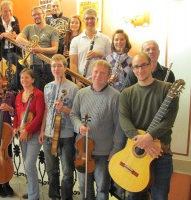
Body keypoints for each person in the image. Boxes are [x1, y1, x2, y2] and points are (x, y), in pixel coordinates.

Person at [119, 52, 179, 200]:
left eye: (143, 65)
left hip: (160, 155)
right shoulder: (126, 93)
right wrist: (141, 141)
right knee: (134, 196)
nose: (140, 70)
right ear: (132, 70)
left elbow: (168, 121)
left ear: (151, 65)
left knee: (160, 196)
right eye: (136, 67)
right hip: (136, 152)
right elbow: (124, 120)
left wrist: (149, 137)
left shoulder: (168, 89)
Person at [70, 60, 125, 199]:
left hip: (104, 153)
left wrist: (116, 149)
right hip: (83, 150)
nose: (98, 75)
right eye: (95, 71)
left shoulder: (115, 97)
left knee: (102, 188)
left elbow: (119, 125)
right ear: (91, 73)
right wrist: (79, 126)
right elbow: (73, 114)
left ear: (108, 76)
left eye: (102, 73)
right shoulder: (81, 93)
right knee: (84, 187)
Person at [39, 54, 79, 200]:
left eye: (59, 65)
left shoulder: (74, 88)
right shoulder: (47, 87)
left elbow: (76, 113)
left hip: (67, 135)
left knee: (68, 171)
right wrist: (43, 130)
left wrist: (64, 109)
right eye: (53, 66)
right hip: (49, 135)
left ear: (65, 68)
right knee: (51, 170)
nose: (56, 68)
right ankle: (54, 196)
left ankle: (66, 197)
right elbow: (46, 111)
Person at [13, 68, 45, 200]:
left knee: (29, 165)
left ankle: (34, 196)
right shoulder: (19, 95)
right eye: (22, 78)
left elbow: (39, 116)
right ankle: (32, 191)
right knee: (27, 165)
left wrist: (27, 130)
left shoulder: (38, 94)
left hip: (33, 135)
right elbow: (16, 115)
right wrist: (15, 127)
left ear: (32, 79)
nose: (24, 80)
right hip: (21, 134)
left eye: (26, 77)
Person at [16, 6, 59, 91]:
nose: (36, 16)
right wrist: (30, 44)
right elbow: (18, 39)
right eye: (34, 15)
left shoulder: (52, 30)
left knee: (50, 90)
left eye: (38, 14)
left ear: (44, 14)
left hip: (49, 64)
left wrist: (40, 50)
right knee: (37, 91)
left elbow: (55, 49)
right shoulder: (29, 28)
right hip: (34, 65)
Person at [69, 8, 111, 88]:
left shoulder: (106, 39)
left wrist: (99, 54)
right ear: (83, 20)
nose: (89, 21)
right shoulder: (75, 40)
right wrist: (76, 81)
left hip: (101, 82)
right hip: (82, 82)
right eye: (87, 18)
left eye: (92, 18)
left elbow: (111, 61)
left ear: (97, 20)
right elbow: (73, 63)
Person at [0, 0, 22, 92]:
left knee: (24, 66)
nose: (8, 13)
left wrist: (16, 35)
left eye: (10, 10)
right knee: (21, 65)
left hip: (15, 48)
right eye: (5, 11)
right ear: (1, 11)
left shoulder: (15, 19)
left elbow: (19, 34)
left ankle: (14, 87)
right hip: (4, 50)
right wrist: (2, 35)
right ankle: (12, 87)